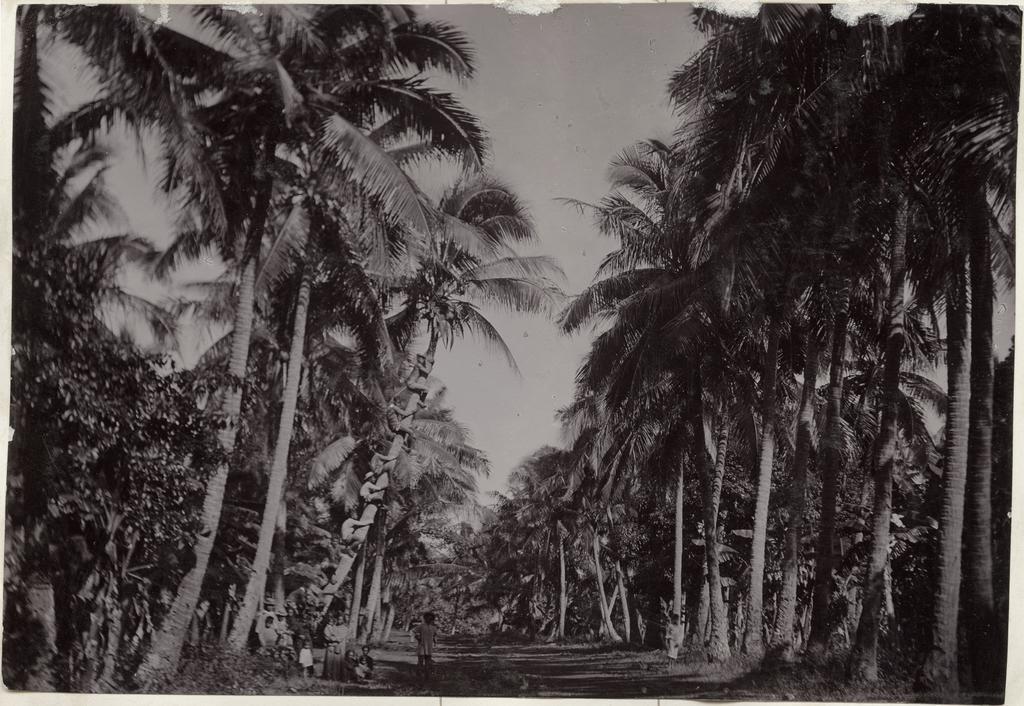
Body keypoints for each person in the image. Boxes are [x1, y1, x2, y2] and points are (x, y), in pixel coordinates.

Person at [321, 615, 349, 680]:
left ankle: (338, 676)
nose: (339, 621)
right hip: (332, 646)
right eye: (338, 619)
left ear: (343, 620)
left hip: (340, 647)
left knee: (338, 662)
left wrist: (333, 639)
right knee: (331, 662)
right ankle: (329, 676)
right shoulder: (333, 627)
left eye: (341, 619)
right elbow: (328, 635)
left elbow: (340, 638)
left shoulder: (345, 628)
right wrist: (331, 639)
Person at [413, 611, 438, 682]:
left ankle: (427, 676)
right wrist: (417, 637)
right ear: (425, 618)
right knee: (420, 661)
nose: (429, 619)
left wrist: (435, 643)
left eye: (431, 618)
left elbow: (435, 636)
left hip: (429, 647)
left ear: (432, 619)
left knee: (428, 662)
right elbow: (413, 631)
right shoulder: (421, 626)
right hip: (422, 646)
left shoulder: (434, 628)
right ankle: (418, 676)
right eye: (427, 618)